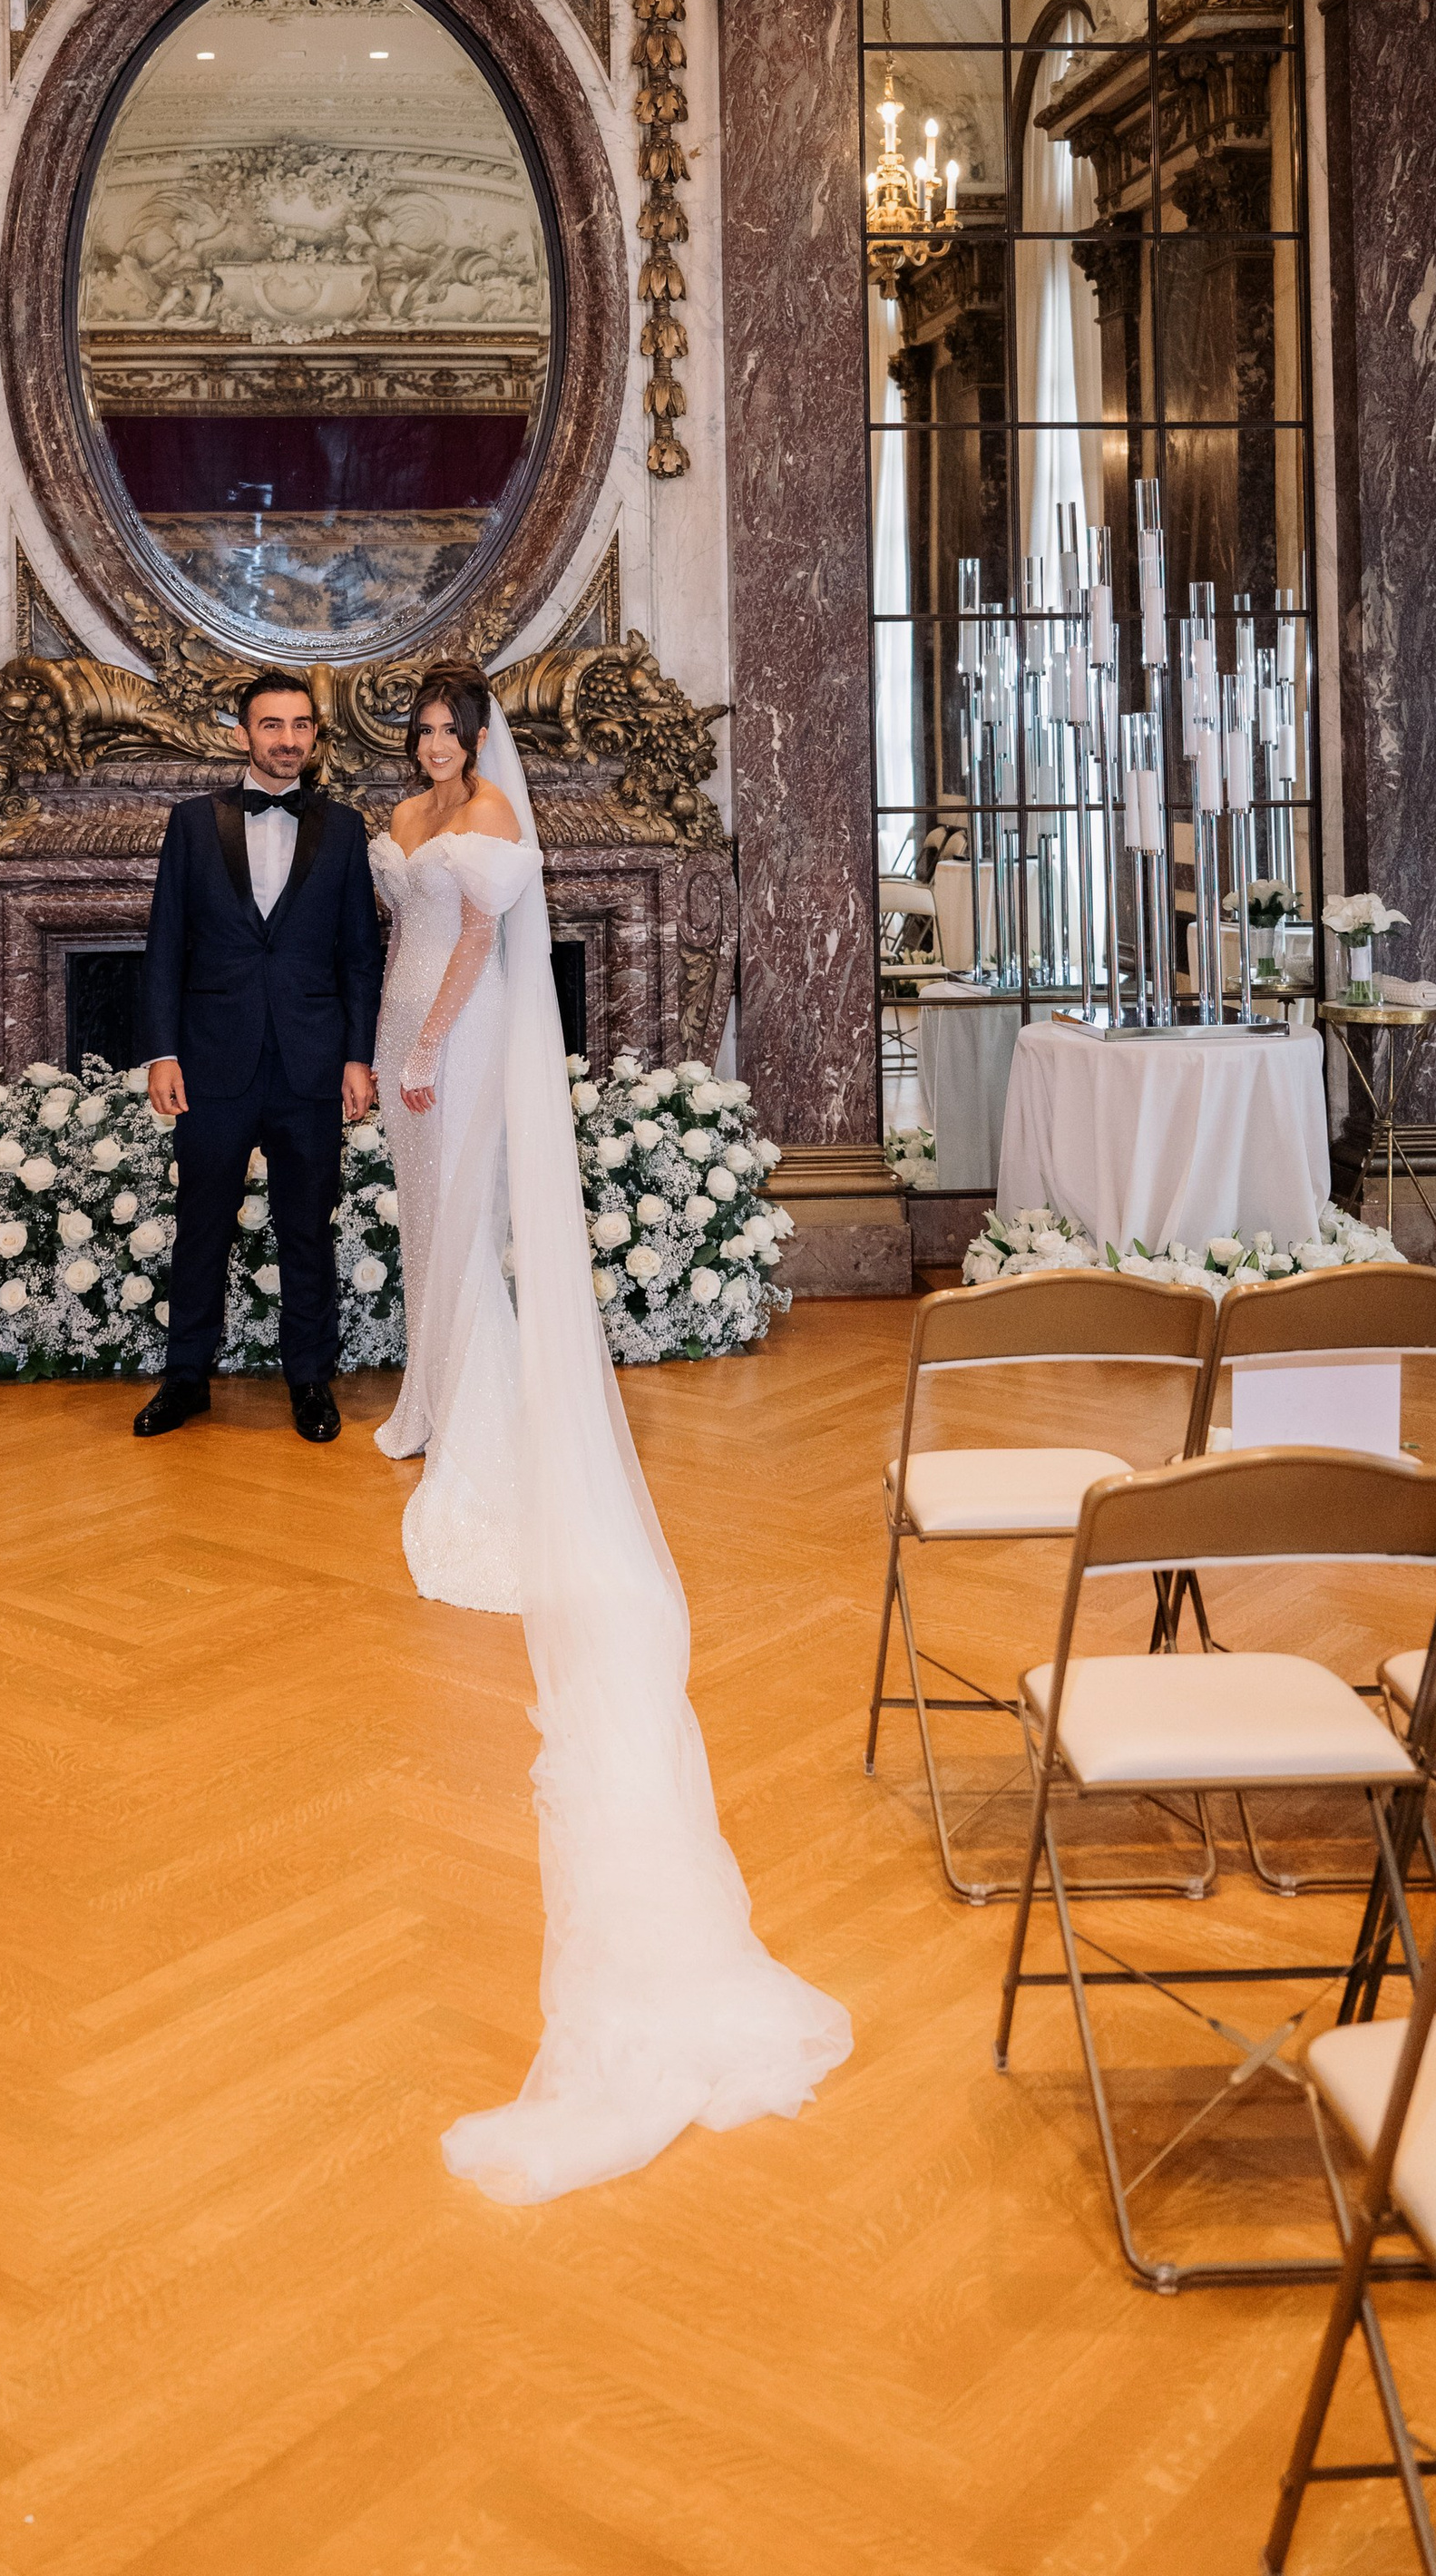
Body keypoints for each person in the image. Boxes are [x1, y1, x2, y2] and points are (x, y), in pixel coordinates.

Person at [371, 662, 851, 2202]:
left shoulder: (496, 813)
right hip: (401, 1013)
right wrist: (393, 1030)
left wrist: (436, 1038)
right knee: (420, 1221)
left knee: (464, 1223)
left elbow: (483, 939)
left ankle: (466, 1409)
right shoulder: (416, 808)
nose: (438, 749)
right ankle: (436, 1394)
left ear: (476, 731)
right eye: (427, 736)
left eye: (450, 730)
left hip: (462, 1018)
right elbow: (403, 917)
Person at [135, 670, 381, 1444]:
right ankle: (185, 1379)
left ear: (315, 735)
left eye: (300, 725)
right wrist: (162, 1053)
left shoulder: (344, 828)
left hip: (311, 1063)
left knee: (308, 1227)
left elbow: (359, 957)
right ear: (242, 733)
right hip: (211, 1060)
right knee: (200, 1223)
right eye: (271, 725)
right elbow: (166, 943)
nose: (286, 739)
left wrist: (358, 1057)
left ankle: (310, 1378)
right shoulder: (191, 822)